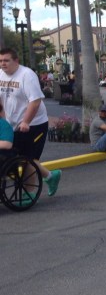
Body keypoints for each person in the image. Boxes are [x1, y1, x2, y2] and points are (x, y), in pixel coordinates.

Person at [0, 47, 61, 198]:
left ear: (16, 61)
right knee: (14, 157)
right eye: (0, 61)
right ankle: (50, 176)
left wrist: (26, 121)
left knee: (27, 158)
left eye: (6, 60)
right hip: (13, 123)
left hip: (34, 124)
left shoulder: (27, 75)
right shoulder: (1, 74)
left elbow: (35, 101)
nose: (3, 64)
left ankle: (29, 192)